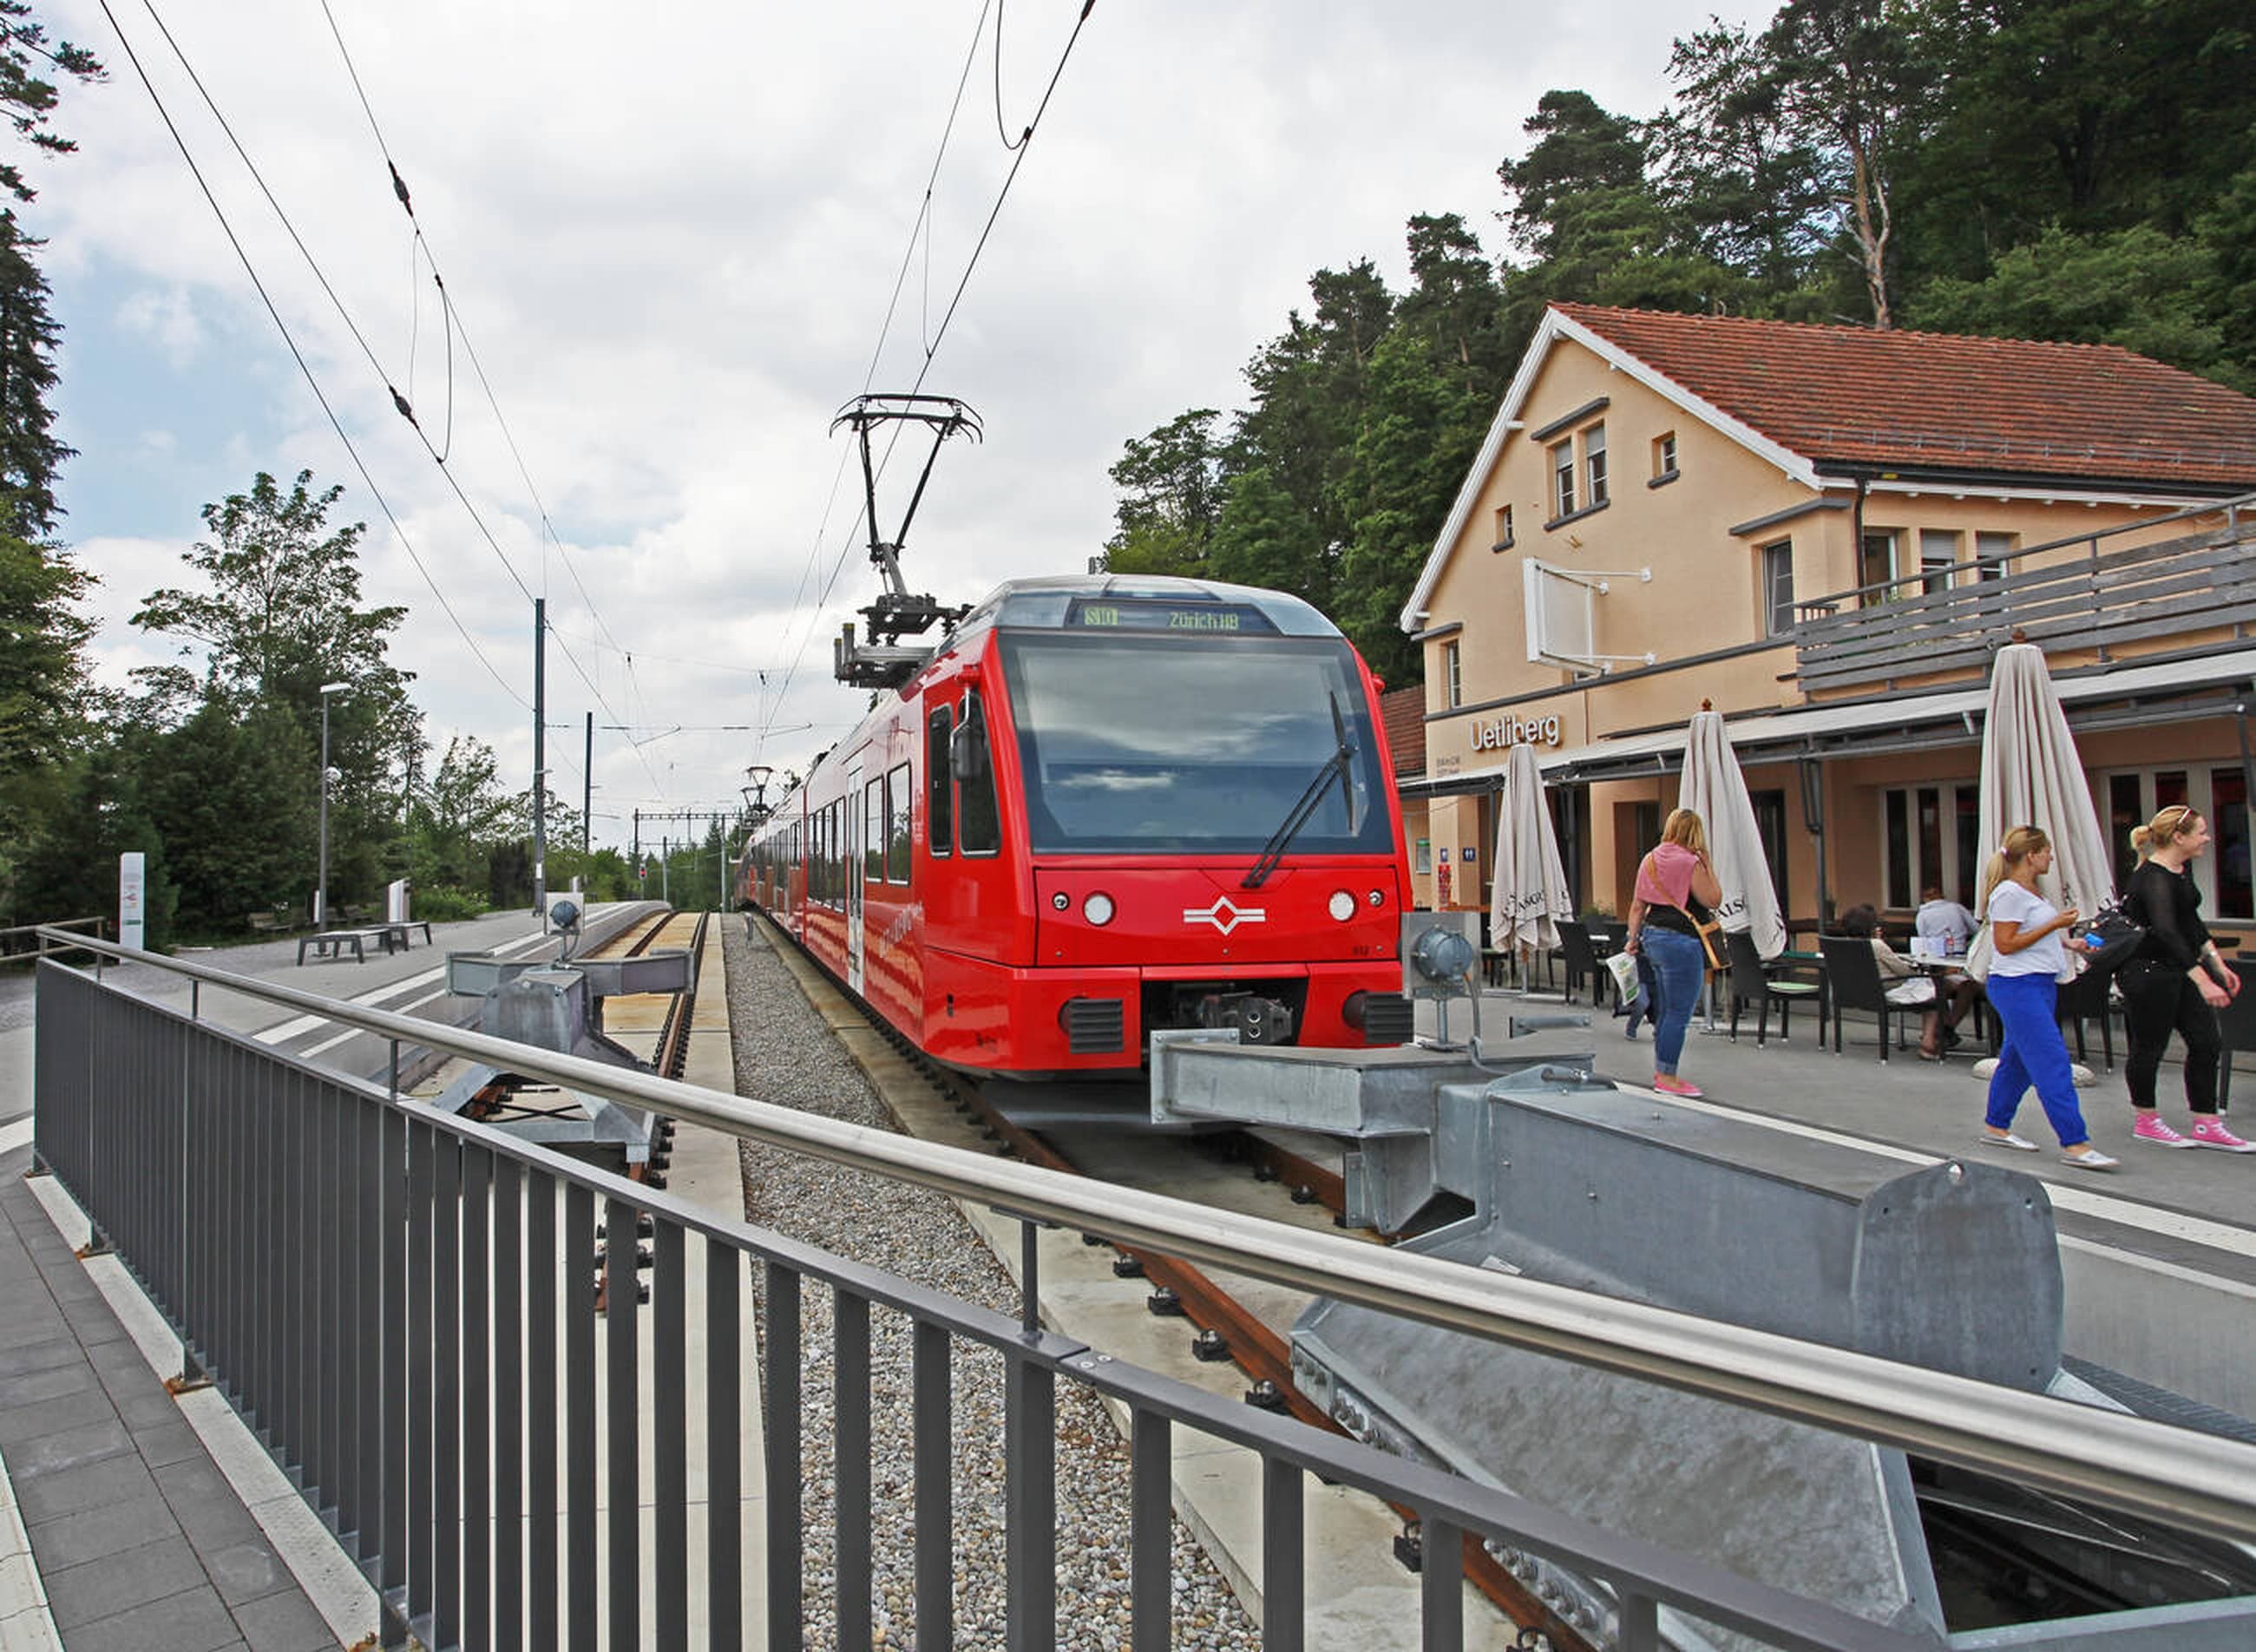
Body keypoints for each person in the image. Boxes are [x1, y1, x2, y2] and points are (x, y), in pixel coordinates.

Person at [1977, 826, 2116, 1168]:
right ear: (2032, 855)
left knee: (2018, 1061)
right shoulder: (2009, 893)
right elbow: (2005, 944)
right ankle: (2075, 1143)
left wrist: (2068, 942)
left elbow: (2028, 935)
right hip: (2017, 985)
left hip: (2039, 983)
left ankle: (1996, 1125)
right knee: (2052, 1060)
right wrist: (2054, 925)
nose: (2051, 857)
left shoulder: (2032, 892)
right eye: (2047, 851)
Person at [2118, 804, 2250, 1150]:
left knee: (2207, 1041)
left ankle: (2206, 1122)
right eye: (2201, 832)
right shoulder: (2152, 877)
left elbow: (2191, 922)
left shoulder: (2179, 872)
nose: (2208, 838)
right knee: (2150, 1045)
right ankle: (2146, 1119)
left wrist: (2217, 964)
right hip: (2147, 971)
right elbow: (2166, 932)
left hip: (2179, 968)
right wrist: (2203, 980)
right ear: (2179, 837)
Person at [1623, 808, 1723, 1098]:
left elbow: (1637, 906)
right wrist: (1708, 867)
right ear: (1695, 832)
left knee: (1666, 1010)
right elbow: (1713, 899)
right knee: (1679, 1012)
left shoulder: (1650, 859)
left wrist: (1633, 939)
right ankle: (1667, 1077)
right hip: (1681, 941)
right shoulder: (1690, 863)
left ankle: (1662, 1070)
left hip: (1653, 937)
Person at [1837, 904, 1983, 1060]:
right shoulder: (1876, 945)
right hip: (1889, 989)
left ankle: (1944, 1032)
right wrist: (1918, 969)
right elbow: (1903, 971)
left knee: (1939, 986)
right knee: (1935, 992)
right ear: (1869, 926)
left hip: (1863, 992)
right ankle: (1929, 1042)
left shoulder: (1841, 945)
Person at [1914, 886, 1979, 954]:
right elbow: (1976, 928)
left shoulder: (1922, 915)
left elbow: (1923, 938)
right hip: (1959, 949)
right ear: (1942, 896)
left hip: (1936, 952)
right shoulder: (1957, 908)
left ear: (1925, 899)